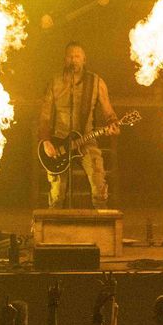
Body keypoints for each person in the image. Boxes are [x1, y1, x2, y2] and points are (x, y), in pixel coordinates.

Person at [37, 42, 117, 208]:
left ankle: (101, 227)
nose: (73, 60)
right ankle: (53, 229)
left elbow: (108, 111)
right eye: (70, 56)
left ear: (84, 59)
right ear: (64, 59)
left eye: (77, 56)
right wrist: (45, 141)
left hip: (86, 140)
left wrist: (112, 123)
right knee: (57, 193)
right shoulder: (54, 83)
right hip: (59, 141)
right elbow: (44, 115)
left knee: (99, 185)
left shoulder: (96, 83)